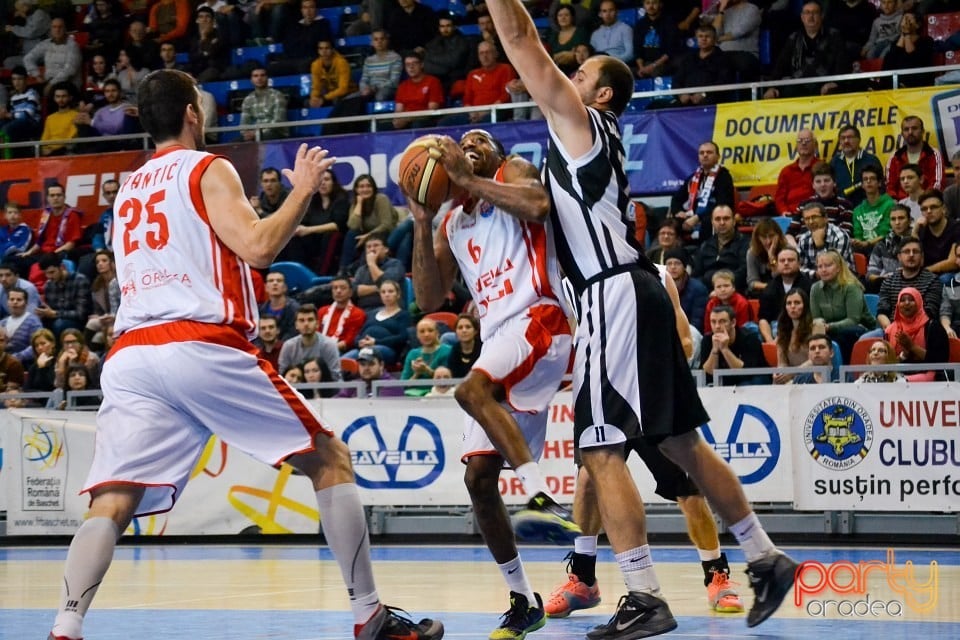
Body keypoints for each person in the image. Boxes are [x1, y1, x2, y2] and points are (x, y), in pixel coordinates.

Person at [47, 68, 444, 640]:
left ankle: (65, 625)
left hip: (131, 353)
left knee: (113, 497)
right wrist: (304, 189)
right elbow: (258, 248)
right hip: (197, 341)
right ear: (192, 112)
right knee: (329, 459)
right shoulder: (209, 168)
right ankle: (370, 616)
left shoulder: (129, 188)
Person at [481, 1, 798, 635]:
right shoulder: (582, 143)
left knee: (600, 450)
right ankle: (765, 556)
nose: (566, 77)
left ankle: (643, 594)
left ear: (599, 92)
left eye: (580, 72)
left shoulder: (581, 120)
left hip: (611, 296)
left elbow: (518, 36)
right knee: (682, 443)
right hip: (640, 289)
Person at [408, 128, 577, 638]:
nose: (470, 143)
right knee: (478, 479)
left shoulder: (513, 171)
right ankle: (524, 600)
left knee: (469, 390)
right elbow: (428, 298)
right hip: (500, 338)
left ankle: (542, 499)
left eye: (480, 140)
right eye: (465, 141)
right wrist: (422, 221)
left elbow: (541, 205)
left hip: (541, 318)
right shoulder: (453, 225)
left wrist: (469, 177)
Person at [545, 264, 744, 620]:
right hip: (605, 399)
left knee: (689, 493)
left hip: (650, 398)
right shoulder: (572, 283)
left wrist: (642, 361)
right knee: (588, 481)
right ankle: (583, 579)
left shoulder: (657, 275)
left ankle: (716, 575)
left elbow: (685, 342)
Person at [763, 1, 850, 99]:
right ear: (802, 17)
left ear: (822, 16)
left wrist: (835, 83)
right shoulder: (794, 37)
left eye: (815, 13)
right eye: (807, 13)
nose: (811, 16)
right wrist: (772, 87)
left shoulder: (834, 36)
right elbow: (780, 65)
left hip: (825, 83)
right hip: (798, 85)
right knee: (786, 92)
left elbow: (842, 63)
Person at [809, 249, 877, 362]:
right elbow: (817, 318)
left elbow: (853, 320)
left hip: (859, 329)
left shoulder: (851, 287)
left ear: (839, 268)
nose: (823, 270)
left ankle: (844, 374)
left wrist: (829, 327)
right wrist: (820, 326)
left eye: (828, 265)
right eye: (820, 266)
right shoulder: (815, 289)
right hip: (829, 331)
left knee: (841, 337)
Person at [669, 141, 735, 245]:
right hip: (691, 216)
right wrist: (678, 211)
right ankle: (674, 255)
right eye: (702, 153)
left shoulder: (723, 177)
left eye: (709, 152)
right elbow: (676, 198)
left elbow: (723, 204)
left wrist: (698, 217)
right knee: (671, 223)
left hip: (710, 217)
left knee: (710, 222)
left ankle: (705, 252)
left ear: (717, 156)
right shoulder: (694, 178)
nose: (705, 155)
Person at [875, 237, 942, 334]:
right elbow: (882, 311)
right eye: (906, 251)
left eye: (915, 251)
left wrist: (905, 332)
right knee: (866, 339)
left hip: (920, 330)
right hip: (891, 328)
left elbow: (930, 312)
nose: (911, 255)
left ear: (922, 256)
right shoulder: (888, 281)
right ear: (899, 256)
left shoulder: (932, 281)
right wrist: (892, 330)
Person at [885, 286, 950, 378]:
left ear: (919, 303)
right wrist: (902, 356)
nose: (906, 303)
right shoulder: (890, 330)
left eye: (911, 300)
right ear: (898, 305)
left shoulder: (933, 327)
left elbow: (940, 362)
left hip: (928, 378)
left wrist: (912, 347)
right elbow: (886, 364)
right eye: (902, 300)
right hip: (897, 377)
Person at [342, 279, 410, 365]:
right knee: (342, 361)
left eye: (390, 291)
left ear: (398, 294)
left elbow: (402, 337)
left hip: (387, 350)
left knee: (369, 352)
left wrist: (376, 342)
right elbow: (359, 334)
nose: (387, 295)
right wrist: (359, 342)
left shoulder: (403, 315)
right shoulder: (372, 314)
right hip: (363, 348)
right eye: (383, 292)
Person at [339, 176, 399, 275]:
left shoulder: (380, 199)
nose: (365, 189)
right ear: (356, 190)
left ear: (373, 188)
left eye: (368, 186)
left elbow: (386, 225)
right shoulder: (356, 203)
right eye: (361, 187)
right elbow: (352, 226)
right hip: (367, 236)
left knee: (371, 242)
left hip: (385, 234)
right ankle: (343, 270)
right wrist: (359, 204)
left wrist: (368, 236)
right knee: (351, 234)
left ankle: (359, 271)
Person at [700, 304, 767, 386]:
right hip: (725, 381)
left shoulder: (750, 338)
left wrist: (725, 349)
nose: (717, 326)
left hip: (754, 380)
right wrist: (714, 350)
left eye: (722, 321)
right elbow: (708, 373)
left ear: (733, 323)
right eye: (713, 322)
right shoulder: (707, 340)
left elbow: (744, 373)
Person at [758, 247, 813, 344]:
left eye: (790, 260)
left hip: (802, 327)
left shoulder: (810, 286)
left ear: (799, 263)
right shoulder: (769, 288)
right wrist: (770, 341)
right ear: (777, 264)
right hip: (774, 329)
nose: (786, 263)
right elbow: (763, 319)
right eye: (782, 260)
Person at [672, 24, 734, 105]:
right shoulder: (688, 58)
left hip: (712, 101)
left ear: (714, 39)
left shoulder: (723, 58)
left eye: (707, 36)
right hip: (687, 100)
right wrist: (680, 95)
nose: (704, 39)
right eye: (700, 36)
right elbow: (676, 80)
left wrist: (704, 94)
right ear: (696, 39)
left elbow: (724, 82)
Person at [692, 204, 749, 292]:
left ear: (734, 221)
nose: (722, 223)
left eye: (726, 218)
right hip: (707, 292)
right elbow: (696, 275)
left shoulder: (745, 243)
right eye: (717, 219)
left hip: (734, 291)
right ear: (712, 222)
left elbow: (744, 272)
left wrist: (721, 288)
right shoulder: (705, 245)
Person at [886, 116, 944, 200]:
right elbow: (889, 186)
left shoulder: (933, 154)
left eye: (914, 128)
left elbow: (937, 184)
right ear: (902, 133)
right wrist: (896, 203)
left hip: (927, 203)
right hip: (900, 205)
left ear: (922, 131)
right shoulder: (895, 157)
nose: (910, 132)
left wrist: (923, 201)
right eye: (906, 129)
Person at [277, 304, 341, 379]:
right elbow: (282, 376)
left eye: (310, 320)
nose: (306, 324)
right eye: (301, 320)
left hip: (324, 389)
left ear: (317, 324)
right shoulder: (288, 346)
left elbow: (336, 377)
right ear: (296, 325)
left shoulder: (329, 345)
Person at [796, 202, 855, 278]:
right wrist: (814, 274)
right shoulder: (804, 238)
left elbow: (834, 269)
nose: (810, 222)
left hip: (842, 280)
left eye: (814, 217)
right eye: (807, 219)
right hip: (815, 280)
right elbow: (799, 267)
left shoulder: (839, 236)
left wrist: (820, 245)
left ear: (825, 218)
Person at [23, 17, 83, 91]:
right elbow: (28, 58)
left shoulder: (73, 46)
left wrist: (52, 84)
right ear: (51, 29)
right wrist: (36, 74)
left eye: (60, 27)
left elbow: (69, 70)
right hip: (48, 82)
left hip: (67, 84)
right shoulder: (46, 44)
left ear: (65, 29)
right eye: (54, 27)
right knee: (26, 92)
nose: (57, 30)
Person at [867, 203, 915, 292]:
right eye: (893, 219)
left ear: (909, 221)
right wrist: (882, 278)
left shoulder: (917, 241)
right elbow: (871, 273)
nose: (897, 222)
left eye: (901, 218)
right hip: (886, 287)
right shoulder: (882, 245)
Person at [830, 125, 882, 207]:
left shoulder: (871, 160)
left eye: (850, 137)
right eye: (843, 138)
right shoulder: (835, 162)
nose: (846, 141)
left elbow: (881, 187)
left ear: (859, 140)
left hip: (868, 208)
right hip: (842, 209)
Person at [392, 51, 445, 131]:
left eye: (414, 63)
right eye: (408, 65)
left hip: (425, 120)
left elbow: (432, 110)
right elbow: (399, 110)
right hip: (406, 120)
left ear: (422, 65)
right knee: (383, 125)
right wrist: (397, 120)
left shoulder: (433, 81)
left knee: (418, 124)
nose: (411, 67)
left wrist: (407, 119)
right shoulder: (403, 86)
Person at [400, 316, 451, 397]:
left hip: (440, 395)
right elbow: (403, 384)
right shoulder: (412, 354)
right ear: (417, 335)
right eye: (422, 331)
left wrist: (427, 370)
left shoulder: (447, 351)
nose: (426, 334)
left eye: (430, 330)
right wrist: (416, 374)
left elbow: (448, 381)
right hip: (415, 397)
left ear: (437, 333)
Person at [772, 288, 815, 384]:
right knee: (777, 381)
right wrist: (780, 373)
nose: (792, 306)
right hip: (791, 375)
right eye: (789, 303)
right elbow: (782, 362)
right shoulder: (782, 329)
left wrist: (792, 373)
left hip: (812, 374)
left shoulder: (816, 326)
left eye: (797, 303)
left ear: (805, 306)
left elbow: (816, 360)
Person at [851, 164, 895, 254]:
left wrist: (867, 243)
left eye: (872, 178)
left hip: (885, 250)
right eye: (865, 179)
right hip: (862, 252)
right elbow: (858, 234)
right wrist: (857, 242)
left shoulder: (890, 205)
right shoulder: (857, 210)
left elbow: (885, 233)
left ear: (879, 183)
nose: (868, 181)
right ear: (862, 185)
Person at [916, 189, 960, 277]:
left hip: (953, 276)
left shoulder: (957, 227)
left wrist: (923, 272)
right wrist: (915, 229)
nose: (928, 211)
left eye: (933, 207)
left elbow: (953, 262)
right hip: (927, 277)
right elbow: (915, 258)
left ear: (943, 209)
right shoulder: (922, 230)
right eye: (924, 209)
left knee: (945, 278)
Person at [0, 66, 43, 156]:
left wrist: (9, 115)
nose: (17, 82)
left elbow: (27, 114)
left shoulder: (32, 93)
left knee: (7, 129)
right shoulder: (13, 98)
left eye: (20, 79)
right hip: (17, 123)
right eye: (14, 79)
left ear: (26, 80)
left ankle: (7, 157)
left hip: (32, 123)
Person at [423, 14, 472, 92]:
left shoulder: (462, 41)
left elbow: (454, 61)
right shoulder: (433, 42)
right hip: (437, 80)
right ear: (439, 28)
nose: (445, 29)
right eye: (442, 26)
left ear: (454, 27)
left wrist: (430, 57)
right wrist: (445, 66)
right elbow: (427, 67)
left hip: (456, 79)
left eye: (448, 26)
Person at [633, 0, 682, 78]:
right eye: (648, 3)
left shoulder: (669, 22)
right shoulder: (639, 25)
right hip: (645, 63)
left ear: (660, 4)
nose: (651, 6)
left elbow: (670, 51)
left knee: (656, 72)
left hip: (664, 62)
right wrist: (641, 68)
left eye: (654, 3)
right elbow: (637, 50)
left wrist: (653, 65)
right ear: (644, 5)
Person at [774, 129, 818, 216]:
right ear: (796, 146)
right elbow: (779, 199)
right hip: (790, 216)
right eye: (800, 141)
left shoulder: (821, 167)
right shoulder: (786, 171)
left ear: (815, 145)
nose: (803, 143)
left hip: (814, 214)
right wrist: (784, 211)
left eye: (807, 140)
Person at [317, 277, 366, 352]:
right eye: (335, 288)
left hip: (340, 351)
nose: (338, 291)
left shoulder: (358, 314)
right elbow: (316, 334)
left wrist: (325, 350)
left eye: (342, 288)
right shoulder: (322, 311)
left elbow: (348, 342)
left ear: (350, 292)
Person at [240, 66, 288, 141]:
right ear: (251, 80)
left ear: (267, 78)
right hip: (255, 134)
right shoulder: (248, 99)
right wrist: (247, 133)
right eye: (255, 76)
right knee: (235, 143)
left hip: (275, 133)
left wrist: (257, 134)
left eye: (262, 75)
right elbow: (244, 124)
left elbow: (278, 122)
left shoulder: (277, 95)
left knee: (266, 137)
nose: (259, 78)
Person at [746, 218, 792, 297]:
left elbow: (780, 277)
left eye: (771, 236)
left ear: (778, 235)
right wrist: (771, 288)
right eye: (764, 237)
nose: (768, 241)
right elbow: (752, 282)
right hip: (764, 291)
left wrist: (772, 257)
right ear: (758, 237)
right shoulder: (752, 253)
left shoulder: (788, 250)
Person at [2, 286, 43, 364]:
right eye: (12, 299)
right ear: (7, 302)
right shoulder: (2, 322)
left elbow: (36, 345)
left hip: (25, 364)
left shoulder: (33, 322)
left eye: (19, 300)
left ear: (26, 303)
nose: (15, 302)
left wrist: (16, 357)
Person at [39, 82, 80, 156]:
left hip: (65, 153)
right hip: (48, 154)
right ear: (54, 98)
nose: (60, 100)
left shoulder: (76, 116)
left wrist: (52, 151)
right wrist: (45, 149)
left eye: (64, 96)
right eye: (57, 96)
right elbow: (44, 140)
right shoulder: (50, 118)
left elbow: (71, 139)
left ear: (70, 97)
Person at [259, 270, 300, 341]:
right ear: (266, 287)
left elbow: (293, 334)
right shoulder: (260, 309)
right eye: (271, 281)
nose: (275, 283)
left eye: (279, 281)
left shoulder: (294, 309)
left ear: (285, 287)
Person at [589, 0, 633, 65]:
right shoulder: (595, 34)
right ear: (600, 14)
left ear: (617, 12)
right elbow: (591, 55)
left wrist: (611, 61)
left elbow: (630, 54)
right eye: (604, 11)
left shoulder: (626, 29)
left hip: (619, 66)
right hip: (599, 66)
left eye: (611, 10)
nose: (608, 14)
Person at [446, 313, 482, 379]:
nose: (464, 330)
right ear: (456, 332)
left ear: (475, 331)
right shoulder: (455, 349)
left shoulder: (483, 348)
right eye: (460, 328)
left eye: (468, 327)